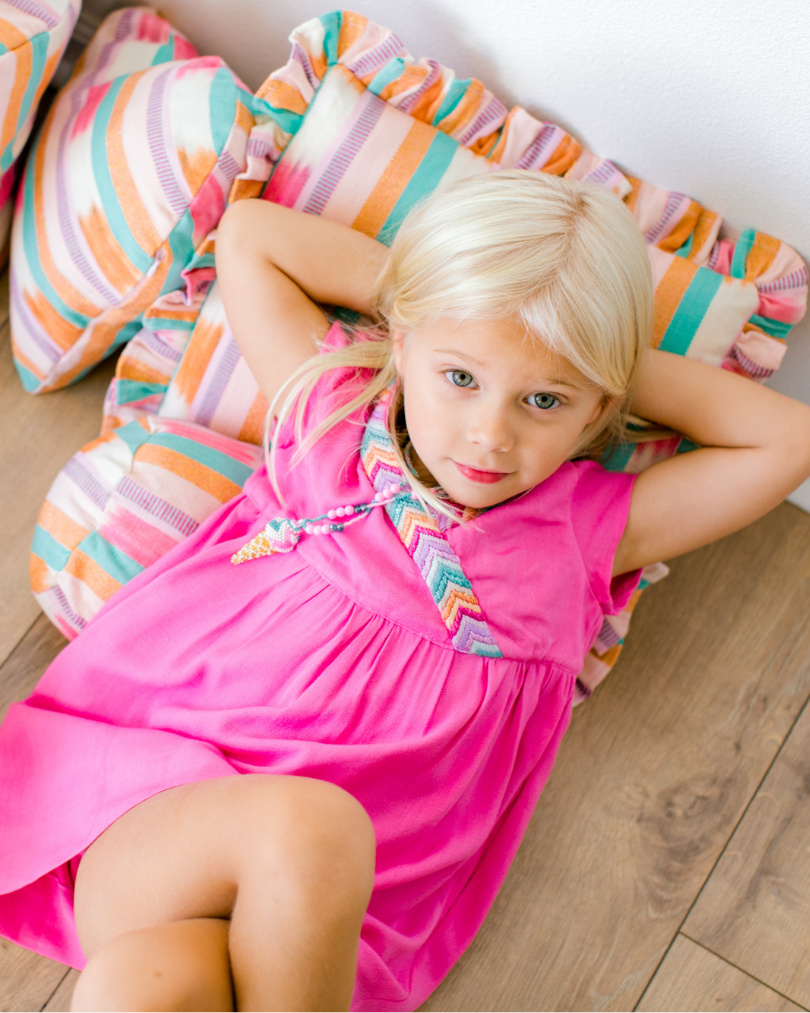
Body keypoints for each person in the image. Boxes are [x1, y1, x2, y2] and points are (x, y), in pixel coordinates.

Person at [1, 170, 809, 1012]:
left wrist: (594, 353)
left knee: (133, 988)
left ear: (597, 408)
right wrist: (442, 302)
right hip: (148, 816)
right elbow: (250, 236)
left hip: (311, 929)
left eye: (543, 399)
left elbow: (788, 438)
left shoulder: (583, 530)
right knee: (313, 827)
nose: (491, 433)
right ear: (405, 342)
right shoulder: (332, 425)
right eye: (460, 377)